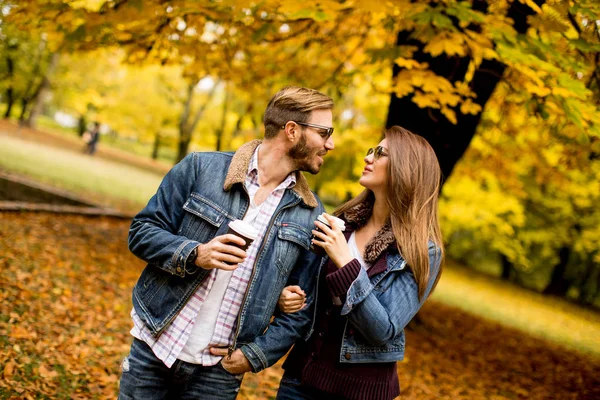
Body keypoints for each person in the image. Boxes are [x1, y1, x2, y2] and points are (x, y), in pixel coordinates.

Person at [118, 86, 335, 399]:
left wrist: (255, 355)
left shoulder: (311, 214)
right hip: (155, 345)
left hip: (218, 373)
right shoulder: (200, 169)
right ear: (291, 130)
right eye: (324, 132)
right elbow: (142, 231)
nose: (331, 144)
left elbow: (302, 307)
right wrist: (196, 254)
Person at [276, 126, 444, 400]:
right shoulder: (342, 222)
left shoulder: (422, 251)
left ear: (407, 169)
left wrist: (346, 262)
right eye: (371, 150)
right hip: (301, 379)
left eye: (380, 153)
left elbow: (382, 330)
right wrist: (285, 298)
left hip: (359, 392)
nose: (368, 158)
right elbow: (306, 287)